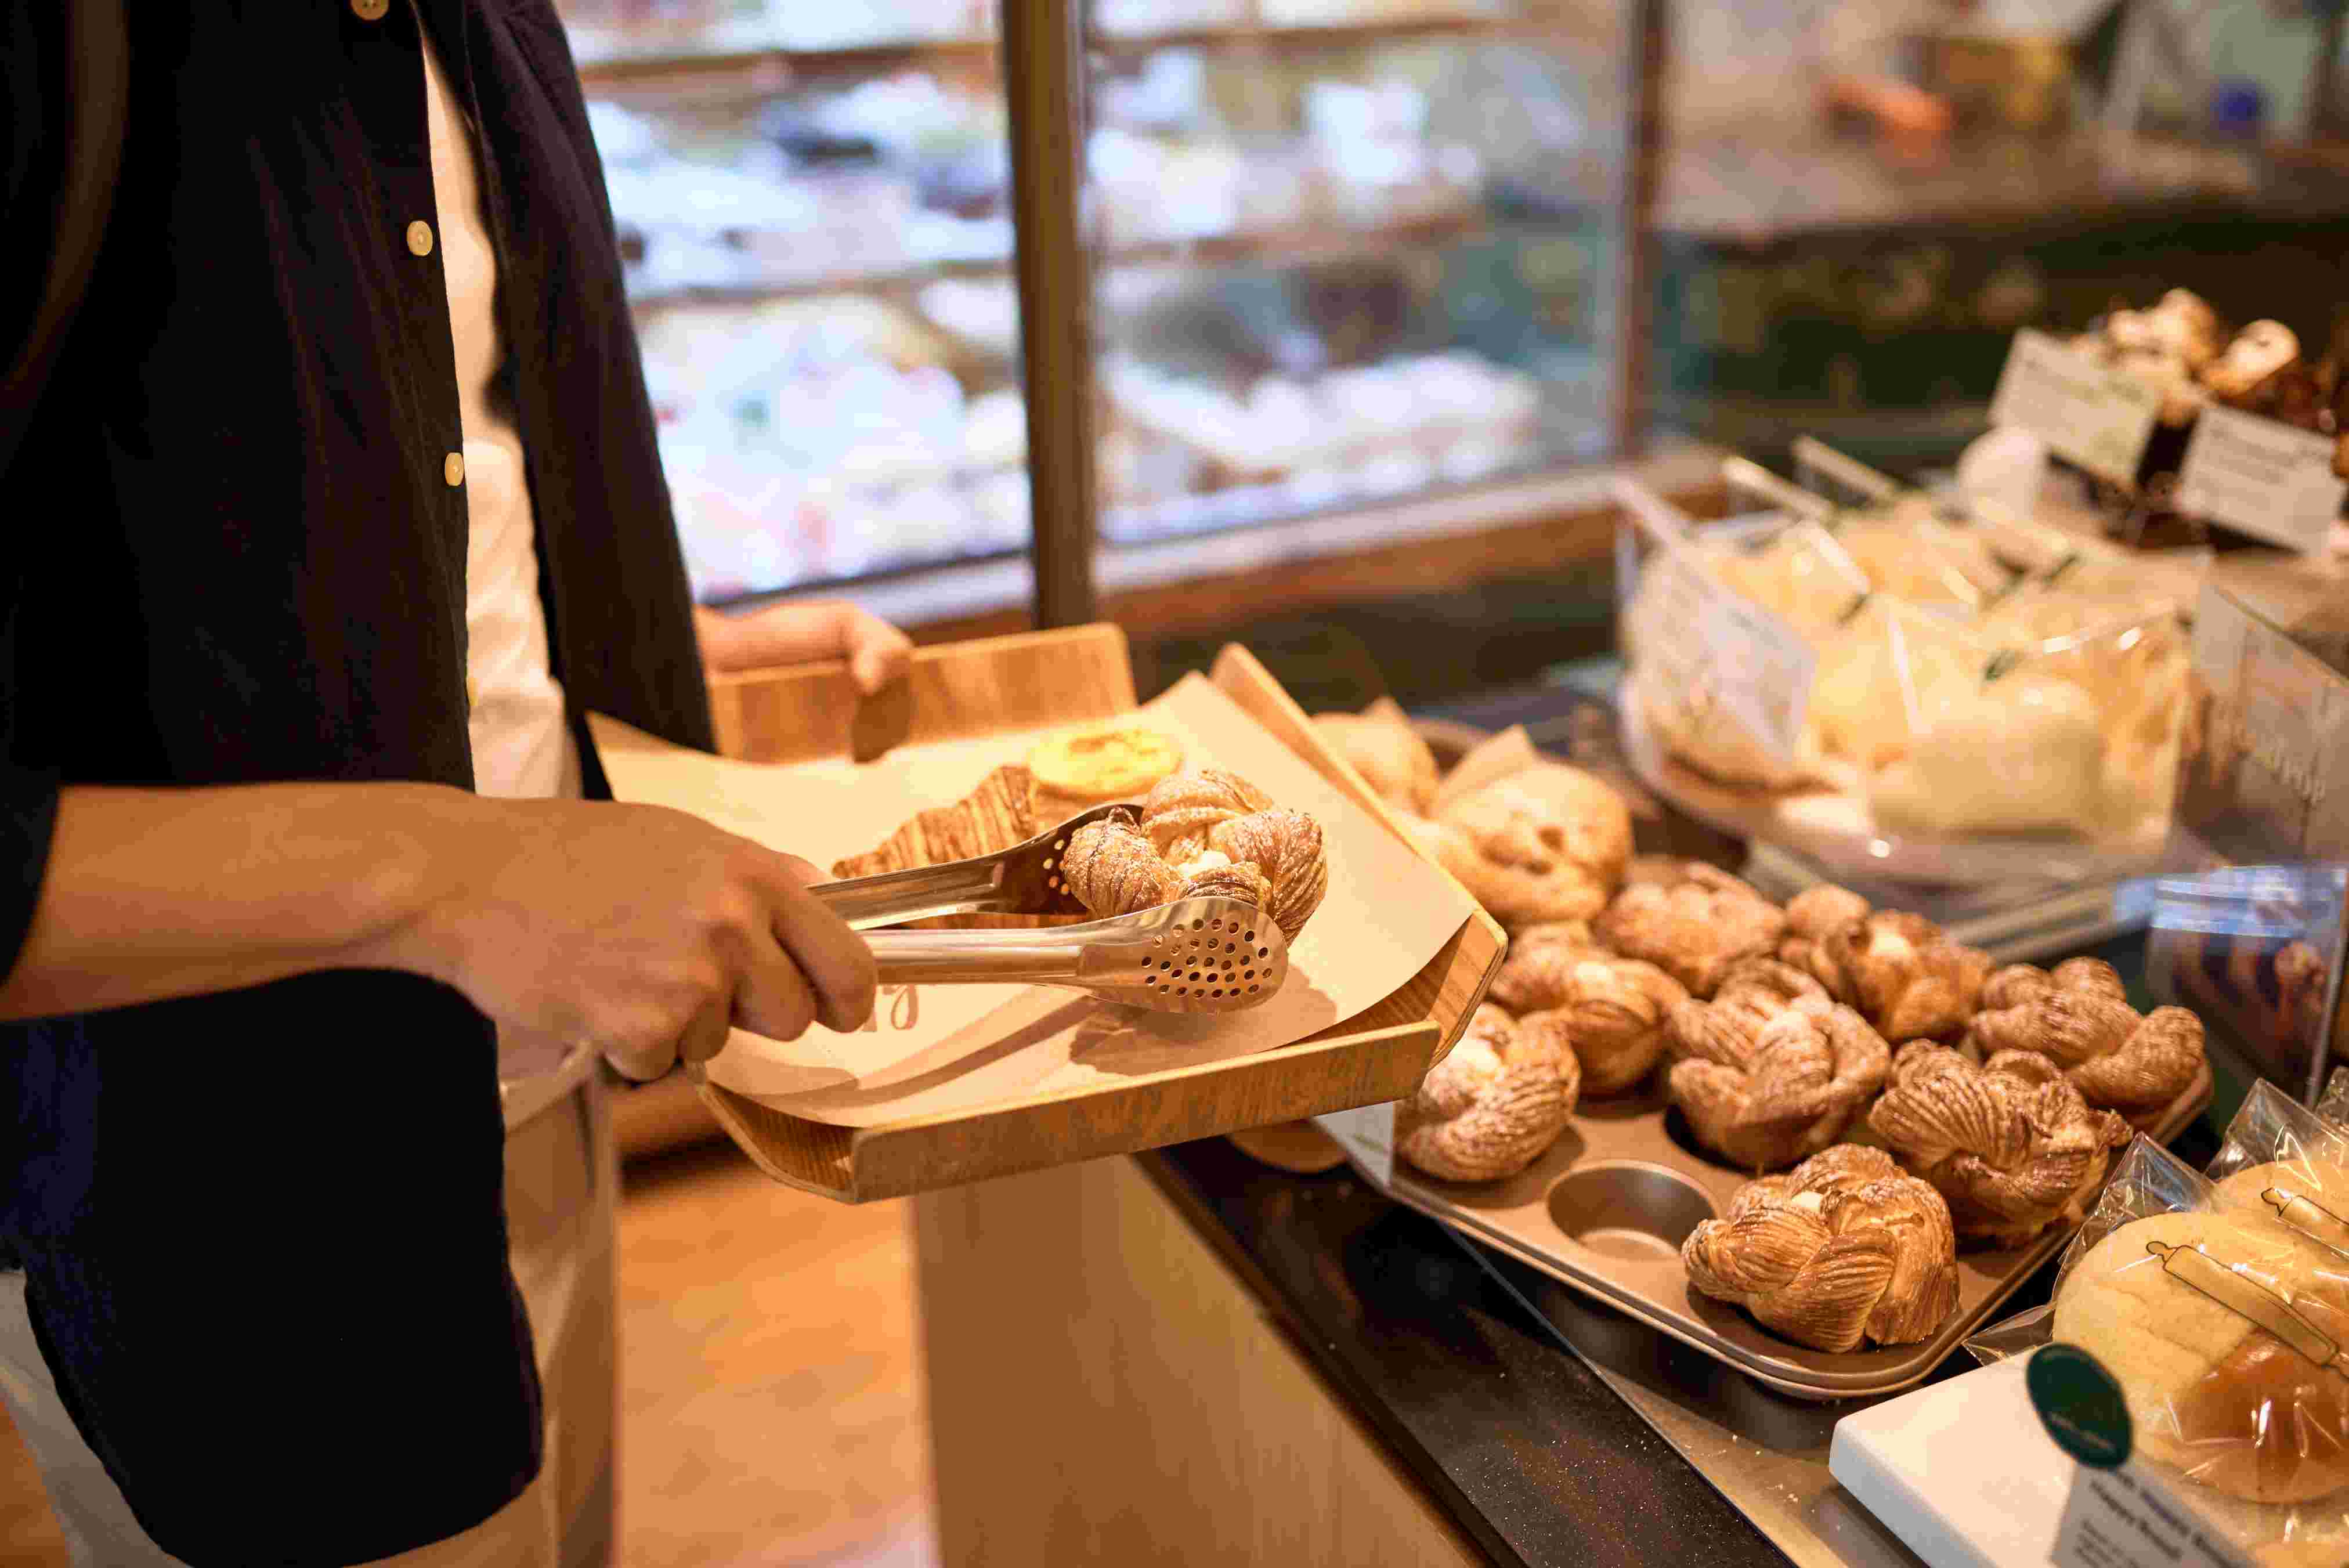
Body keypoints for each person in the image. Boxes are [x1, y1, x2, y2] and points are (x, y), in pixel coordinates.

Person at [0, 5, 912, 1563]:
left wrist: (644, 654)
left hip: (527, 1104)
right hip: (224, 1222)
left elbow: (381, 463)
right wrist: (457, 874)